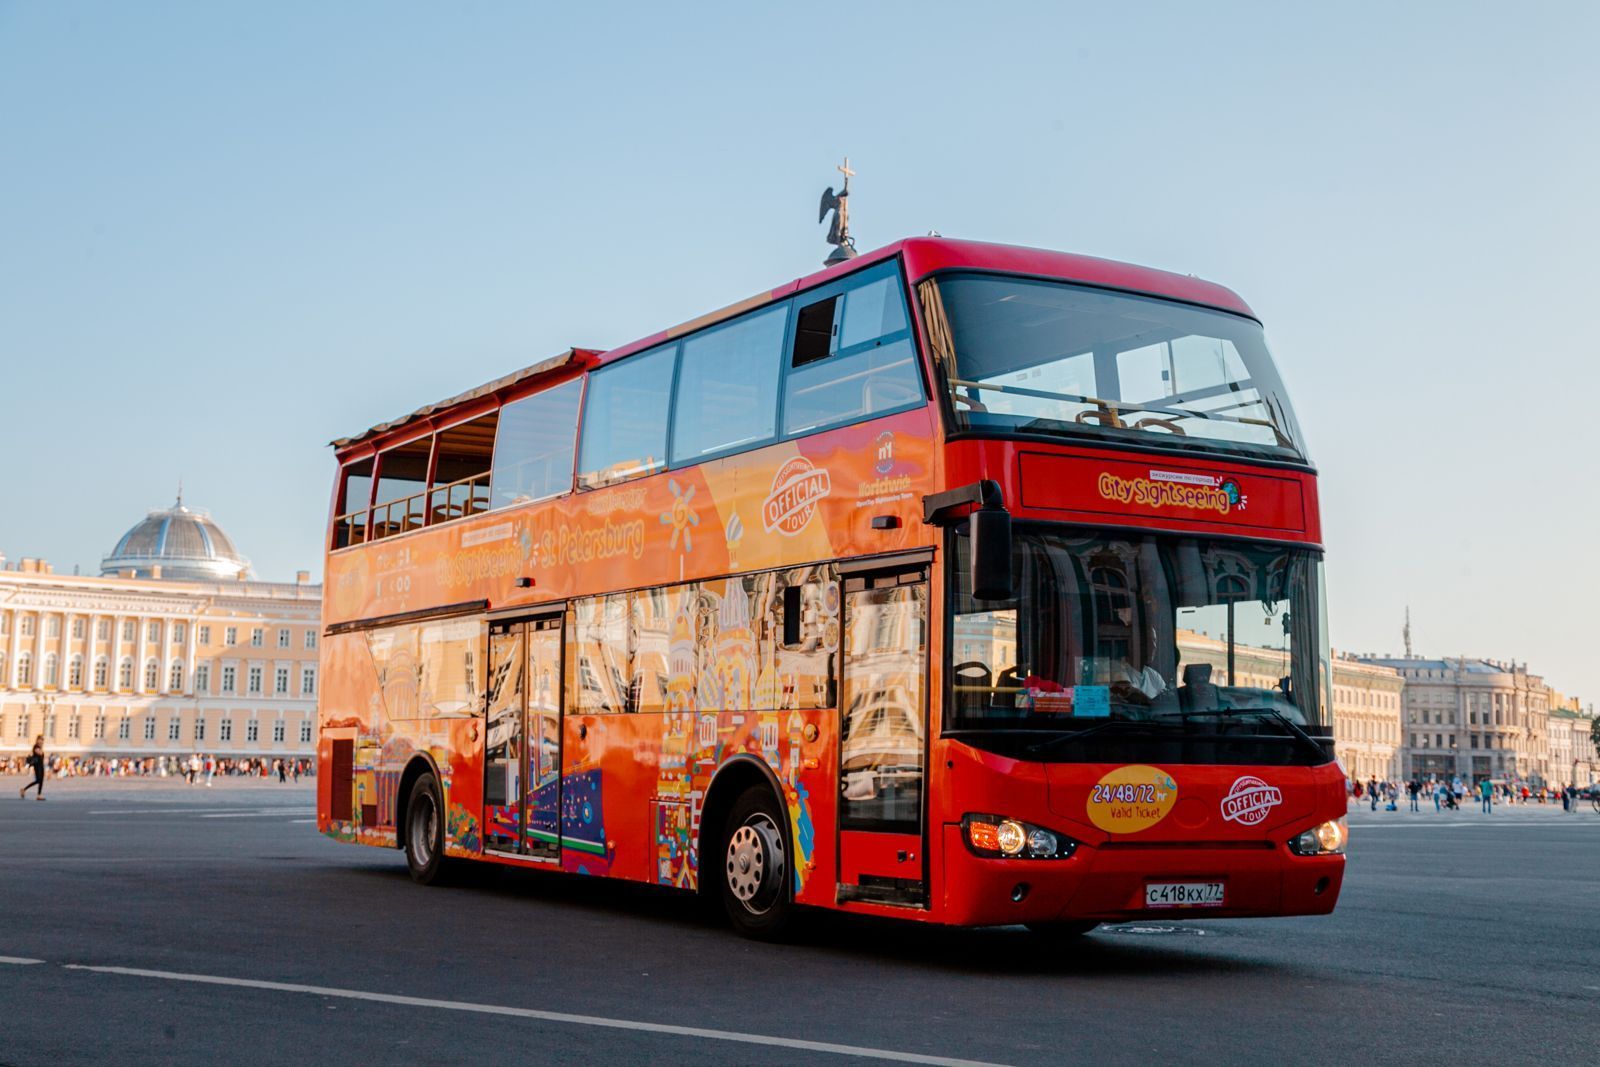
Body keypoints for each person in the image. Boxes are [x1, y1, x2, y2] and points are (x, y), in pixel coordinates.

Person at [19, 735, 46, 801]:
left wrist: (41, 747)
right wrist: (41, 748)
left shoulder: (39, 747)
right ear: (37, 740)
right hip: (37, 766)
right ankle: (24, 789)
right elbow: (39, 753)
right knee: (38, 780)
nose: (42, 741)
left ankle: (39, 795)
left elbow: (41, 755)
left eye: (42, 740)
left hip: (41, 765)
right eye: (41, 739)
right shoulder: (36, 746)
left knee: (41, 781)